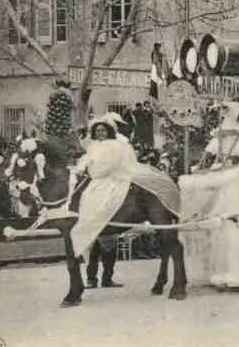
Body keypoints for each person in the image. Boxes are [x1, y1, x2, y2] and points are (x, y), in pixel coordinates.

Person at [69, 113, 180, 288]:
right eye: (97, 131)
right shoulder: (93, 146)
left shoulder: (115, 145)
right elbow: (86, 160)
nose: (100, 133)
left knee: (105, 196)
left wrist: (95, 171)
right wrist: (81, 169)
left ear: (108, 131)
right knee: (83, 194)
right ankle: (90, 230)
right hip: (95, 178)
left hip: (110, 177)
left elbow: (111, 164)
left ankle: (105, 218)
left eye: (103, 130)